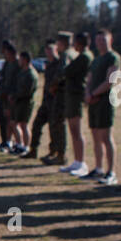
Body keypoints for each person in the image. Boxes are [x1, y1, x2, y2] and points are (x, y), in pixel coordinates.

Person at [84, 28, 121, 185]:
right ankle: (98, 168)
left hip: (105, 101)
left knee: (106, 137)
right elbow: (90, 79)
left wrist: (94, 94)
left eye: (103, 40)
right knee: (95, 136)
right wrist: (87, 93)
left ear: (110, 40)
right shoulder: (96, 59)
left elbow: (110, 80)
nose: (101, 43)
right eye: (98, 40)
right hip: (93, 102)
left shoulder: (113, 57)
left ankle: (110, 172)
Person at [60, 32, 92, 176]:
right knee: (73, 130)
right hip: (72, 95)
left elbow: (67, 71)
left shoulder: (85, 57)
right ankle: (77, 161)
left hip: (77, 95)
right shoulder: (81, 56)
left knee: (77, 130)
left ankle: (81, 162)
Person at [43, 33, 73, 165]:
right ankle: (57, 152)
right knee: (57, 123)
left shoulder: (66, 55)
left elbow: (62, 73)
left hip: (61, 94)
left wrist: (53, 86)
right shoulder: (71, 54)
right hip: (65, 94)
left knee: (58, 124)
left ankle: (61, 155)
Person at [9, 49, 38, 156]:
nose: (19, 61)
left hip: (25, 102)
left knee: (24, 125)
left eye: (21, 59)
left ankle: (26, 146)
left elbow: (27, 91)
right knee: (14, 123)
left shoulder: (31, 74)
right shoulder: (22, 72)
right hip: (18, 101)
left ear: (25, 60)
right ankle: (19, 144)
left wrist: (16, 96)